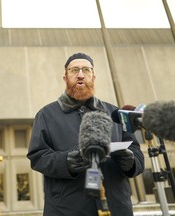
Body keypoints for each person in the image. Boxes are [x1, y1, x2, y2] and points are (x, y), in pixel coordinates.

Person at [27, 52, 144, 216]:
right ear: (65, 78)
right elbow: (37, 156)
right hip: (67, 210)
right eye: (74, 70)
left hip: (117, 207)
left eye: (86, 70)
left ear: (93, 77)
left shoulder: (115, 113)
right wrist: (65, 162)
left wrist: (130, 161)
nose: (81, 75)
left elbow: (137, 153)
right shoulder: (46, 115)